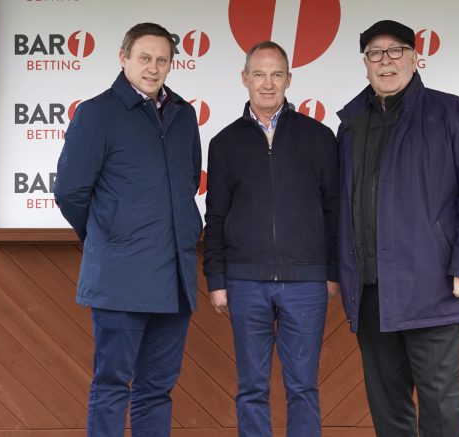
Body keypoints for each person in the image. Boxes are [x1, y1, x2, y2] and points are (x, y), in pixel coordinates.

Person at [335, 20, 459, 437]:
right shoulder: (351, 124)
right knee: (388, 406)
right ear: (365, 64)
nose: (386, 61)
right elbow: (340, 205)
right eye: (375, 53)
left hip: (433, 286)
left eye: (395, 52)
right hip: (371, 291)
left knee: (439, 401)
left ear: (414, 57)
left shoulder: (453, 113)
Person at [53, 22, 202, 437]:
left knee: (157, 389)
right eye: (144, 58)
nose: (153, 68)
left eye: (162, 60)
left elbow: (187, 181)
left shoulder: (183, 114)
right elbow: (70, 191)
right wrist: (108, 234)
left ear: (172, 63)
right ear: (123, 59)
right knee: (113, 385)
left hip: (174, 278)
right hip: (121, 277)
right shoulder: (98, 113)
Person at [203, 41, 339, 437]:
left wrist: (330, 271)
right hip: (245, 283)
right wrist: (217, 278)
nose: (267, 83)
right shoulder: (224, 143)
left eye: (276, 74)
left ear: (289, 80)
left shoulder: (318, 137)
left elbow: (334, 209)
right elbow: (216, 215)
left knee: (302, 388)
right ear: (245, 79)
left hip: (306, 283)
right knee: (251, 389)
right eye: (259, 74)